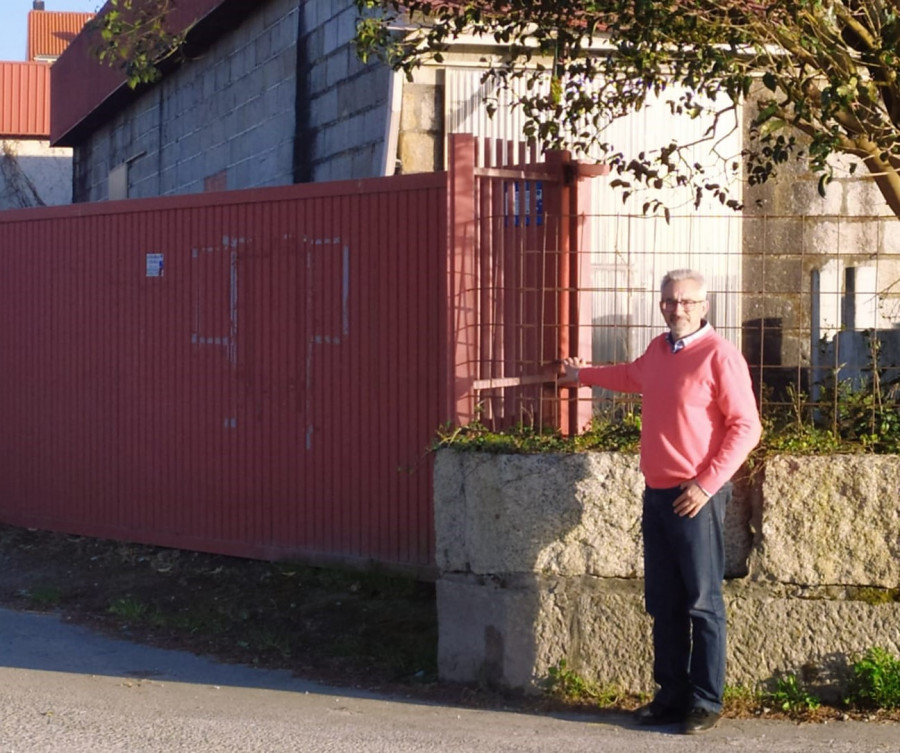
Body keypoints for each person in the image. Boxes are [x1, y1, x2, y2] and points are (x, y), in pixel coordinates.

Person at [560, 269, 762, 735]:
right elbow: (631, 376)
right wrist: (581, 374)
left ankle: (705, 702)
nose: (677, 309)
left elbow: (746, 427)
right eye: (669, 301)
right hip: (657, 494)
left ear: (705, 306)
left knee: (701, 602)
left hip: (697, 497)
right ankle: (670, 697)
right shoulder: (658, 350)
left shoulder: (720, 356)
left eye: (687, 302)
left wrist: (707, 484)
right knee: (664, 601)